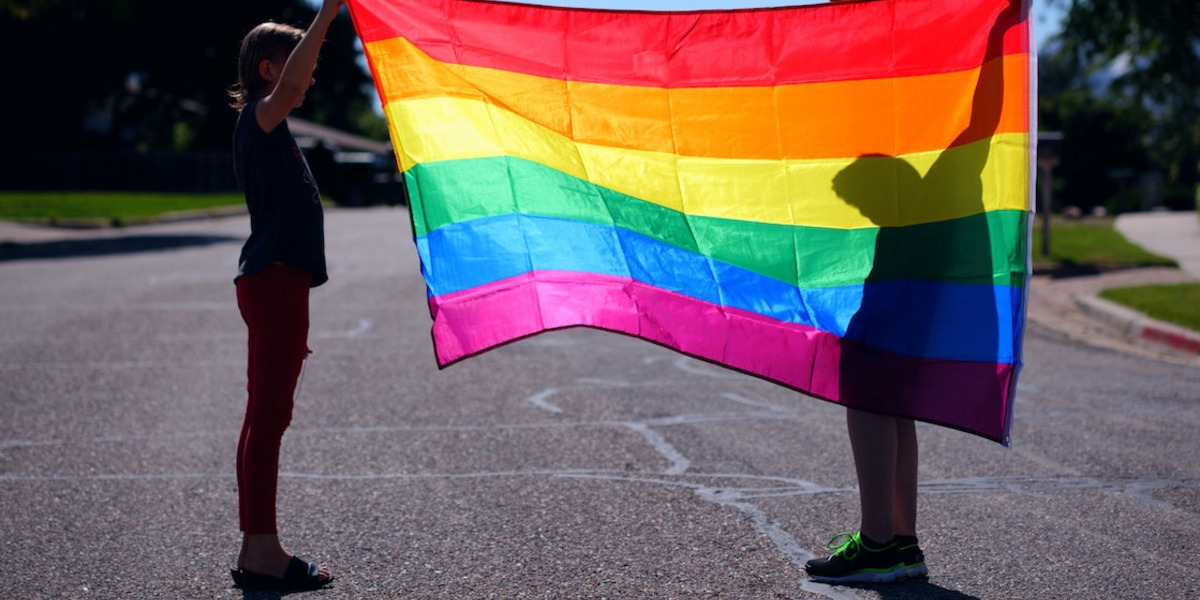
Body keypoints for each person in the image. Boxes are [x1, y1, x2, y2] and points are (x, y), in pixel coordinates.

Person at [804, 0, 1018, 584]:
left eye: (862, 197)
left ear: (888, 180)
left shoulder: (943, 184)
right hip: (909, 327)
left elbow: (982, 116)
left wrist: (998, 31)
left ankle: (878, 544)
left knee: (873, 406)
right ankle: (901, 544)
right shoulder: (914, 207)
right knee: (895, 414)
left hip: (901, 326)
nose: (864, 210)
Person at [226, 0, 344, 590]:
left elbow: (299, 79)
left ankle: (258, 547)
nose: (310, 74)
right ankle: (263, 554)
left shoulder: (270, 128)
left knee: (264, 415)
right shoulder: (260, 118)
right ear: (271, 70)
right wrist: (327, 15)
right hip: (273, 278)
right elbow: (299, 80)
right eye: (297, 61)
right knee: (269, 417)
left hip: (277, 281)